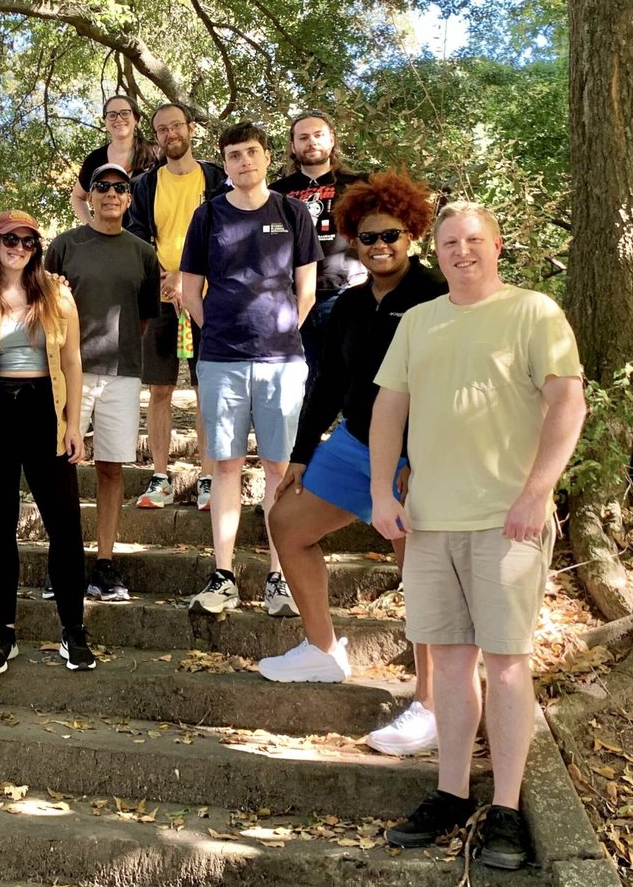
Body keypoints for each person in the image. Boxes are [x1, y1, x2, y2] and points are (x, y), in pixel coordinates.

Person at [370, 202, 586, 870]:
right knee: (452, 666)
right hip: (431, 522)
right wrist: (381, 491)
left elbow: (568, 401)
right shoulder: (419, 321)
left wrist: (536, 493)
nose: (462, 251)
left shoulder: (534, 313)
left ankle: (510, 809)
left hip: (506, 521)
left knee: (508, 664)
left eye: (473, 241)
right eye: (449, 243)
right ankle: (452, 792)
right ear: (435, 253)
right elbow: (389, 406)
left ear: (496, 246)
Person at [260, 173, 447, 756]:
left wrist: (430, 458)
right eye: (367, 238)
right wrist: (299, 452)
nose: (379, 245)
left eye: (391, 234)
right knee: (287, 524)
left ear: (412, 233)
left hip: (420, 456)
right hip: (355, 442)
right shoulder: (345, 308)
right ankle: (322, 650)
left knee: (420, 575)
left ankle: (434, 705)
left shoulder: (439, 299)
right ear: (352, 242)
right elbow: (326, 384)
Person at [179, 122, 321, 618]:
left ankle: (280, 577)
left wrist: (282, 330)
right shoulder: (208, 215)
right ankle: (223, 575)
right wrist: (215, 328)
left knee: (279, 469)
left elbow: (307, 287)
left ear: (266, 158)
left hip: (283, 361)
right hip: (221, 359)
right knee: (225, 466)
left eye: (252, 153)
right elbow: (188, 288)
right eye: (234, 155)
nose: (244, 162)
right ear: (226, 162)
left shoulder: (292, 211)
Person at [0, 210, 97, 673]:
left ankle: (73, 631)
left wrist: (73, 424)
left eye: (28, 241)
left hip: (44, 411)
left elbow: (73, 361)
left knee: (65, 525)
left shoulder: (57, 295)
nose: (19, 248)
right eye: (10, 239)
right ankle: (4, 632)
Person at [46, 165, 161, 602]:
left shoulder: (142, 253)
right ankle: (64, 561)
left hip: (123, 373)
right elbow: (43, 307)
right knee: (59, 468)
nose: (111, 194)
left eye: (120, 188)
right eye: (102, 187)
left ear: (128, 200)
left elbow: (144, 317)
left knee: (112, 468)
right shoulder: (64, 247)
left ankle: (105, 564)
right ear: (89, 197)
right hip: (67, 372)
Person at [123, 101, 225, 510]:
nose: (170, 134)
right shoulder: (146, 185)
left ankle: (207, 479)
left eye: (176, 126)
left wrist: (191, 276)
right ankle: (161, 477)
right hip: (163, 295)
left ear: (191, 129)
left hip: (212, 296)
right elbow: (137, 238)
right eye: (162, 129)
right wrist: (166, 278)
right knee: (160, 389)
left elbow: (228, 233)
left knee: (206, 389)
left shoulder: (216, 178)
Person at [269, 111, 366, 392]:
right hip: (293, 299)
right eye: (303, 137)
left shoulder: (358, 186)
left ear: (332, 140)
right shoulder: (276, 193)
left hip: (346, 294)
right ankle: (305, 438)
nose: (311, 142)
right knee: (304, 387)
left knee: (353, 383)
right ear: (293, 146)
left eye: (318, 135)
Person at [71, 94, 160, 223]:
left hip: (151, 239)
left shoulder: (155, 152)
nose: (118, 119)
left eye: (125, 113)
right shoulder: (95, 159)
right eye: (112, 115)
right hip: (109, 239)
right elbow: (77, 197)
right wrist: (90, 228)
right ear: (105, 121)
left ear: (136, 119)